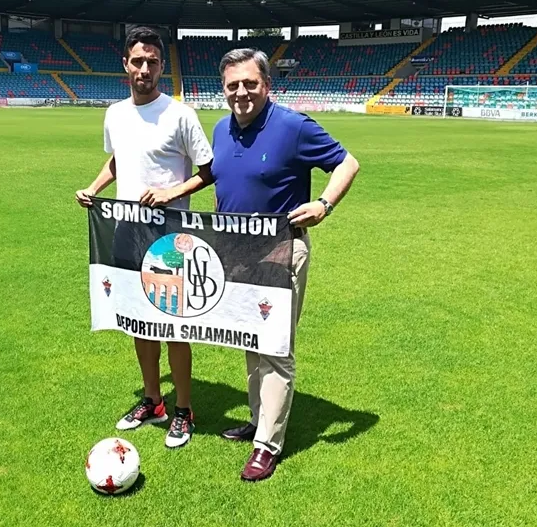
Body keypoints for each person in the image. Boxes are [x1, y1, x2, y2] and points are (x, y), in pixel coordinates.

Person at [210, 48, 361, 481]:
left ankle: (267, 445)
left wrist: (324, 204)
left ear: (266, 85)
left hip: (281, 249)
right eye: (233, 85)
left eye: (250, 83)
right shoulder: (222, 130)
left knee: (275, 346)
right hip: (235, 250)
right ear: (224, 89)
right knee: (249, 339)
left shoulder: (292, 126)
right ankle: (259, 420)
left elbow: (347, 163)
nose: (241, 92)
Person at [75, 26, 214, 448]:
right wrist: (95, 188)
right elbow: (119, 159)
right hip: (125, 230)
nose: (146, 69)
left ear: (160, 68)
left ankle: (184, 409)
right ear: (126, 65)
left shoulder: (180, 115)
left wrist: (172, 192)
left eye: (153, 62)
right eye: (138, 61)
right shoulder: (115, 113)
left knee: (174, 324)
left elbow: (208, 171)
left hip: (171, 235)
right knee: (139, 321)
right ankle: (152, 399)